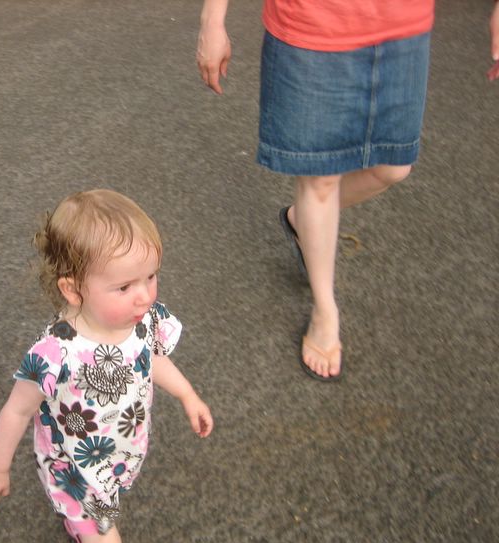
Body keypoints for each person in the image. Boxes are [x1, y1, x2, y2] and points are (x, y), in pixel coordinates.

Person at [197, 0, 499, 381]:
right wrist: (212, 19)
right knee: (320, 177)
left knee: (393, 166)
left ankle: (303, 220)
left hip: (404, 23)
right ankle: (325, 310)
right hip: (313, 23)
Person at [0, 189, 213, 543]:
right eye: (125, 286)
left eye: (151, 277)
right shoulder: (55, 354)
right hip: (74, 467)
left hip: (118, 448)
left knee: (102, 517)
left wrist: (188, 394)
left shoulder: (139, 320)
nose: (145, 295)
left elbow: (149, 359)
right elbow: (17, 411)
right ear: (73, 290)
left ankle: (82, 525)